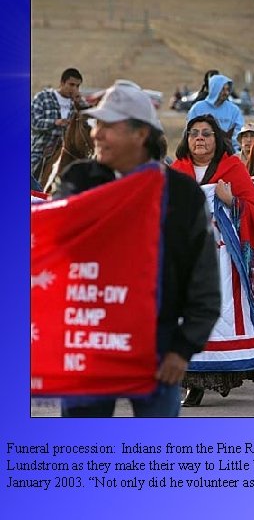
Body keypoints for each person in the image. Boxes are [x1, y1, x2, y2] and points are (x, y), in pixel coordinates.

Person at [54, 80, 221, 417]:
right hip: (90, 344)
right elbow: (52, 254)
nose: (96, 134)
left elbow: (203, 278)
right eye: (95, 125)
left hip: (158, 350)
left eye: (107, 126)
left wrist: (182, 348)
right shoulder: (78, 181)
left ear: (140, 135)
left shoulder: (182, 195)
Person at [171, 114, 254, 407]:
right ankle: (191, 383)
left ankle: (221, 375)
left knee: (222, 314)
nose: (199, 138)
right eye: (194, 133)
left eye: (206, 134)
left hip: (224, 258)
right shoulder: (176, 171)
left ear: (217, 139)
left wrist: (230, 200)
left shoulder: (232, 168)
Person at [31, 67, 85, 179]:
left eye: (77, 86)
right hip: (42, 148)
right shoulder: (43, 97)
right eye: (71, 84)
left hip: (69, 151)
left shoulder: (78, 102)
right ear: (62, 82)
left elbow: (89, 122)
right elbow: (33, 122)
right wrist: (55, 122)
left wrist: (80, 104)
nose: (74, 88)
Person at [187, 73, 244, 153]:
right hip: (201, 151)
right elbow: (190, 131)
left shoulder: (234, 110)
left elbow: (238, 132)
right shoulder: (197, 108)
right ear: (215, 89)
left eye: (228, 89)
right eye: (222, 89)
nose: (226, 93)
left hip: (227, 152)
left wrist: (235, 149)